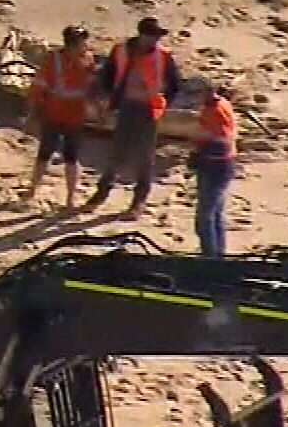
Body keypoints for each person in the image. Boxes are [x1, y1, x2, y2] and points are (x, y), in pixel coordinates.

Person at [82, 16, 181, 217]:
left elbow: (175, 84)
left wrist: (163, 105)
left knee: (144, 156)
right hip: (126, 106)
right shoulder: (121, 51)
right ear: (142, 35)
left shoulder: (163, 56)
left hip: (148, 109)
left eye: (157, 37)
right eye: (152, 36)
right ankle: (101, 194)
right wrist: (106, 101)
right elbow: (107, 77)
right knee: (116, 153)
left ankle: (139, 200)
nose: (155, 40)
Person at [23, 25, 96, 212]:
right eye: (82, 43)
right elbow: (39, 85)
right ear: (72, 45)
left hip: (75, 116)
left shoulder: (88, 60)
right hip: (54, 114)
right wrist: (34, 110)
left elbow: (93, 86)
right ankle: (32, 190)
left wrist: (97, 107)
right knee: (44, 154)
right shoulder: (53, 60)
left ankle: (70, 198)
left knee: (72, 157)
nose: (85, 46)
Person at [192, 85, 239, 256]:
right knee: (216, 214)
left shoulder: (217, 110)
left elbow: (222, 141)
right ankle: (218, 253)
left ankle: (210, 256)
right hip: (214, 165)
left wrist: (202, 149)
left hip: (217, 167)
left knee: (205, 217)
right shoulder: (214, 106)